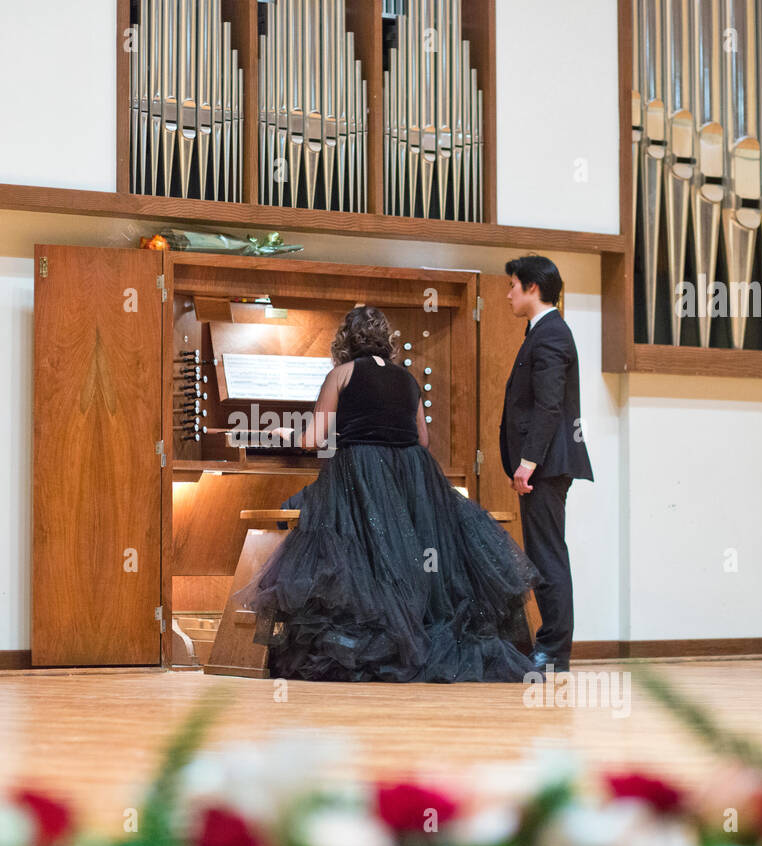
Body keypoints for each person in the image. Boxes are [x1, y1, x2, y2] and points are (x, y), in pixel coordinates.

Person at [233, 305, 543, 683]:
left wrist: (287, 435)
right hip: (414, 479)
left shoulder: (340, 374)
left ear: (344, 340)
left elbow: (313, 440)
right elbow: (422, 440)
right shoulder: (407, 379)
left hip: (359, 475)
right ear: (386, 340)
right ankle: (417, 633)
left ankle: (336, 642)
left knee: (308, 520)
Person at [500, 256, 594, 674]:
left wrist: (528, 461)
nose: (508, 294)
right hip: (546, 463)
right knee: (546, 553)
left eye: (513, 286)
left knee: (548, 555)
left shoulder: (551, 333)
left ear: (533, 288)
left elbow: (549, 405)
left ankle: (553, 652)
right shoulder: (543, 331)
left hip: (547, 464)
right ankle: (552, 649)